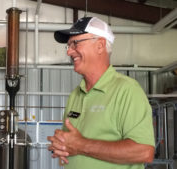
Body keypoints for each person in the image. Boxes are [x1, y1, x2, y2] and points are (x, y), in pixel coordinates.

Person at [47, 17, 155, 169]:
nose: (69, 51)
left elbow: (144, 152)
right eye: (68, 45)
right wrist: (62, 145)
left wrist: (81, 145)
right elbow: (72, 143)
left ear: (100, 45)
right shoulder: (76, 95)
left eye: (75, 43)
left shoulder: (127, 90)